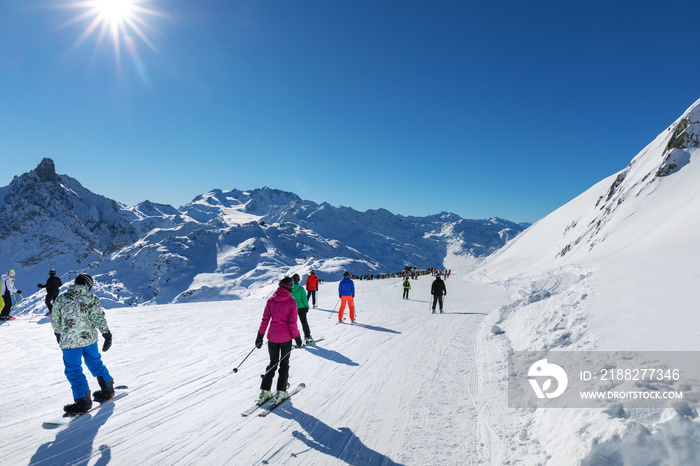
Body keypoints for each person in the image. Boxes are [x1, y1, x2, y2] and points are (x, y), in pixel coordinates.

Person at [52, 274, 115, 413]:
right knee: (95, 362)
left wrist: (58, 334)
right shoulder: (91, 298)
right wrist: (106, 334)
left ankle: (83, 401)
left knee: (74, 369)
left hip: (70, 342)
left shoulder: (61, 298)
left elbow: (55, 319)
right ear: (88, 285)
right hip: (89, 340)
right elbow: (98, 317)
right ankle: (108, 389)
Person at [256, 277, 303, 404]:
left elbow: (265, 320)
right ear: (290, 287)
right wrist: (298, 338)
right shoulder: (291, 302)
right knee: (284, 364)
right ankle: (281, 392)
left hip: (272, 338)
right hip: (286, 338)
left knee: (273, 363)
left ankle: (265, 391)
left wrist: (259, 336)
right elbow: (292, 323)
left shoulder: (271, 300)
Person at [292, 274, 313, 345]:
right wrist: (306, 307)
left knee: (291, 324)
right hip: (301, 307)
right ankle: (308, 337)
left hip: (292, 308)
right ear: (298, 280)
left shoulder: (289, 289)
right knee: (304, 322)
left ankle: (287, 338)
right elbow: (305, 299)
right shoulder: (301, 288)